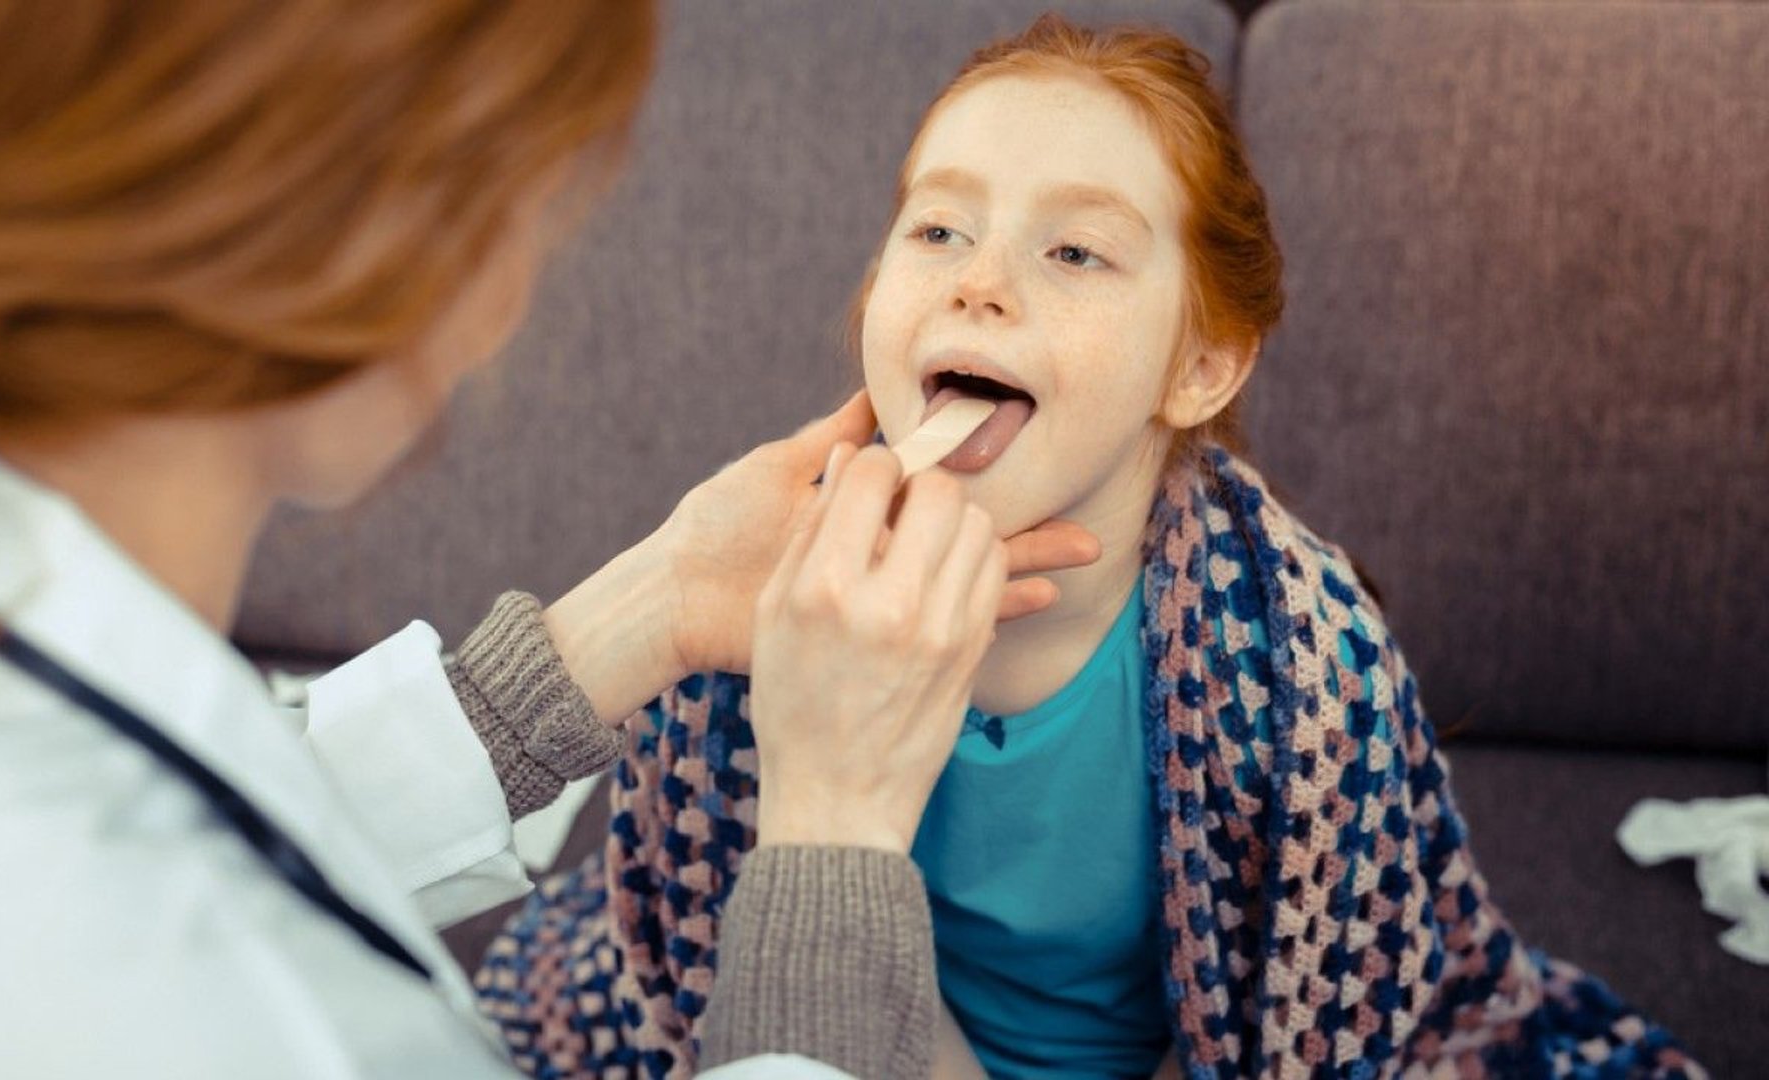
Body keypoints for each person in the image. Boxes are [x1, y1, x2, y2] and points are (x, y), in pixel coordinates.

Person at [0, 3, 1102, 1078]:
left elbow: (226, 819)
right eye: (535, 198)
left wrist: (651, 607)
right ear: (374, 236)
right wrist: (834, 821)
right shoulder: (240, 1013)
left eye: (1078, 251)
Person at [483, 15, 1707, 1080]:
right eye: (938, 231)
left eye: (1074, 251)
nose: (982, 285)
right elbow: (718, 954)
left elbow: (1290, 1031)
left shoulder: (1305, 679)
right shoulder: (754, 628)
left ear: (1199, 365)